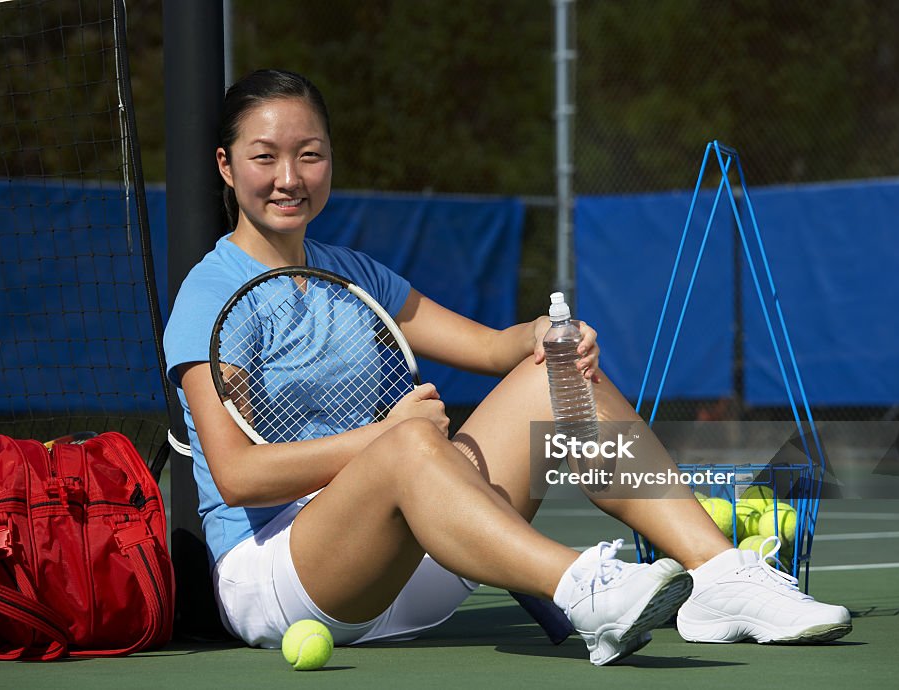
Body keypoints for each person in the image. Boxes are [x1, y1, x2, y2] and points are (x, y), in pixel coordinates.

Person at [163, 69, 852, 666]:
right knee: (408, 441)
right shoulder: (212, 297)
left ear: (331, 160)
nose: (289, 178)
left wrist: (547, 335)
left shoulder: (353, 275)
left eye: (309, 155)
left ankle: (721, 576)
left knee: (556, 377)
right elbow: (238, 475)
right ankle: (586, 589)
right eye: (265, 158)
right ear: (226, 167)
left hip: (407, 564)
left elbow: (493, 348)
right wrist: (385, 440)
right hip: (284, 583)